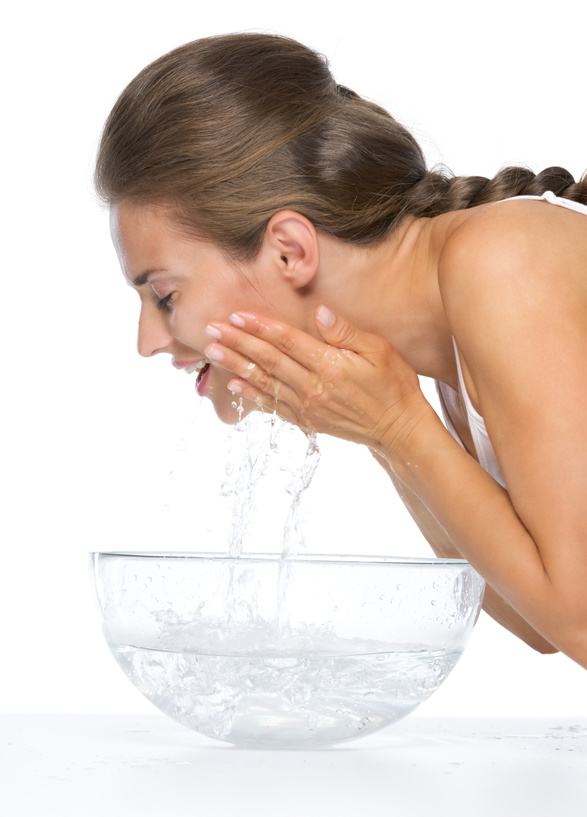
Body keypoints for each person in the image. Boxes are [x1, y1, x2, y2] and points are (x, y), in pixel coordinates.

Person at [96, 33, 587, 669]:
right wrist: (386, 436)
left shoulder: (501, 260)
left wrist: (401, 429)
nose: (149, 343)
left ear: (289, 251)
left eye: (164, 296)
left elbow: (578, 618)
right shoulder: (448, 353)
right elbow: (535, 619)